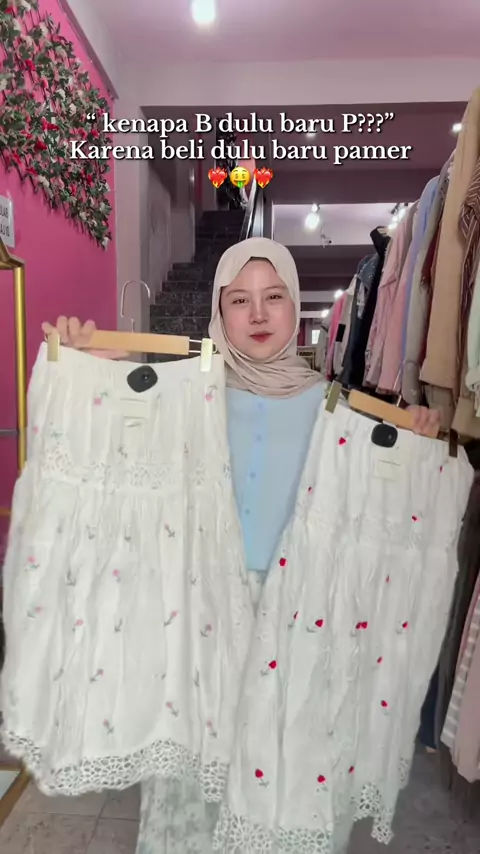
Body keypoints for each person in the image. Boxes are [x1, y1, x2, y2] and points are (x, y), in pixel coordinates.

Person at [42, 237, 440, 852]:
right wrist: (85, 366)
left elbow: (379, 508)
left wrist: (417, 438)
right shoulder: (188, 395)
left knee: (284, 767)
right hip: (204, 607)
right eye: (239, 300)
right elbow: (113, 453)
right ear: (219, 311)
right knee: (201, 773)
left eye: (273, 297)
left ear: (294, 305)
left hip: (298, 616)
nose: (257, 314)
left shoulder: (336, 409)